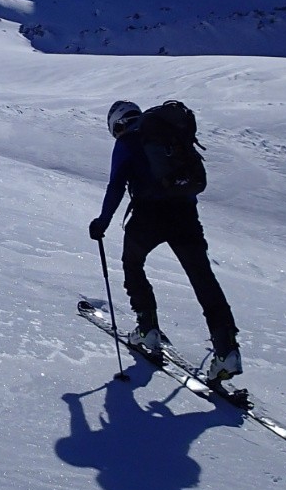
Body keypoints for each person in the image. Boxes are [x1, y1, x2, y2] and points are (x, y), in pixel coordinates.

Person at [89, 100, 242, 383]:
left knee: (133, 264)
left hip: (148, 216)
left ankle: (147, 328)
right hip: (185, 213)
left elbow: (116, 185)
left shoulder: (127, 142)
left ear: (116, 125)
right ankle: (227, 351)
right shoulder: (166, 134)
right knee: (202, 278)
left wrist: (103, 221)